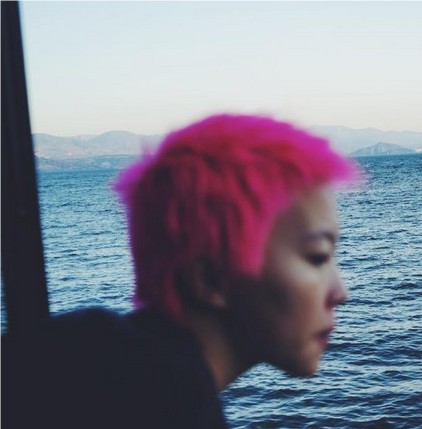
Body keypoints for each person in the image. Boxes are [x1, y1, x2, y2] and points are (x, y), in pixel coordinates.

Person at [2, 114, 358, 428]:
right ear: (210, 278)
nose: (341, 292)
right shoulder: (168, 408)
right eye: (317, 256)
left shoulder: (83, 351)